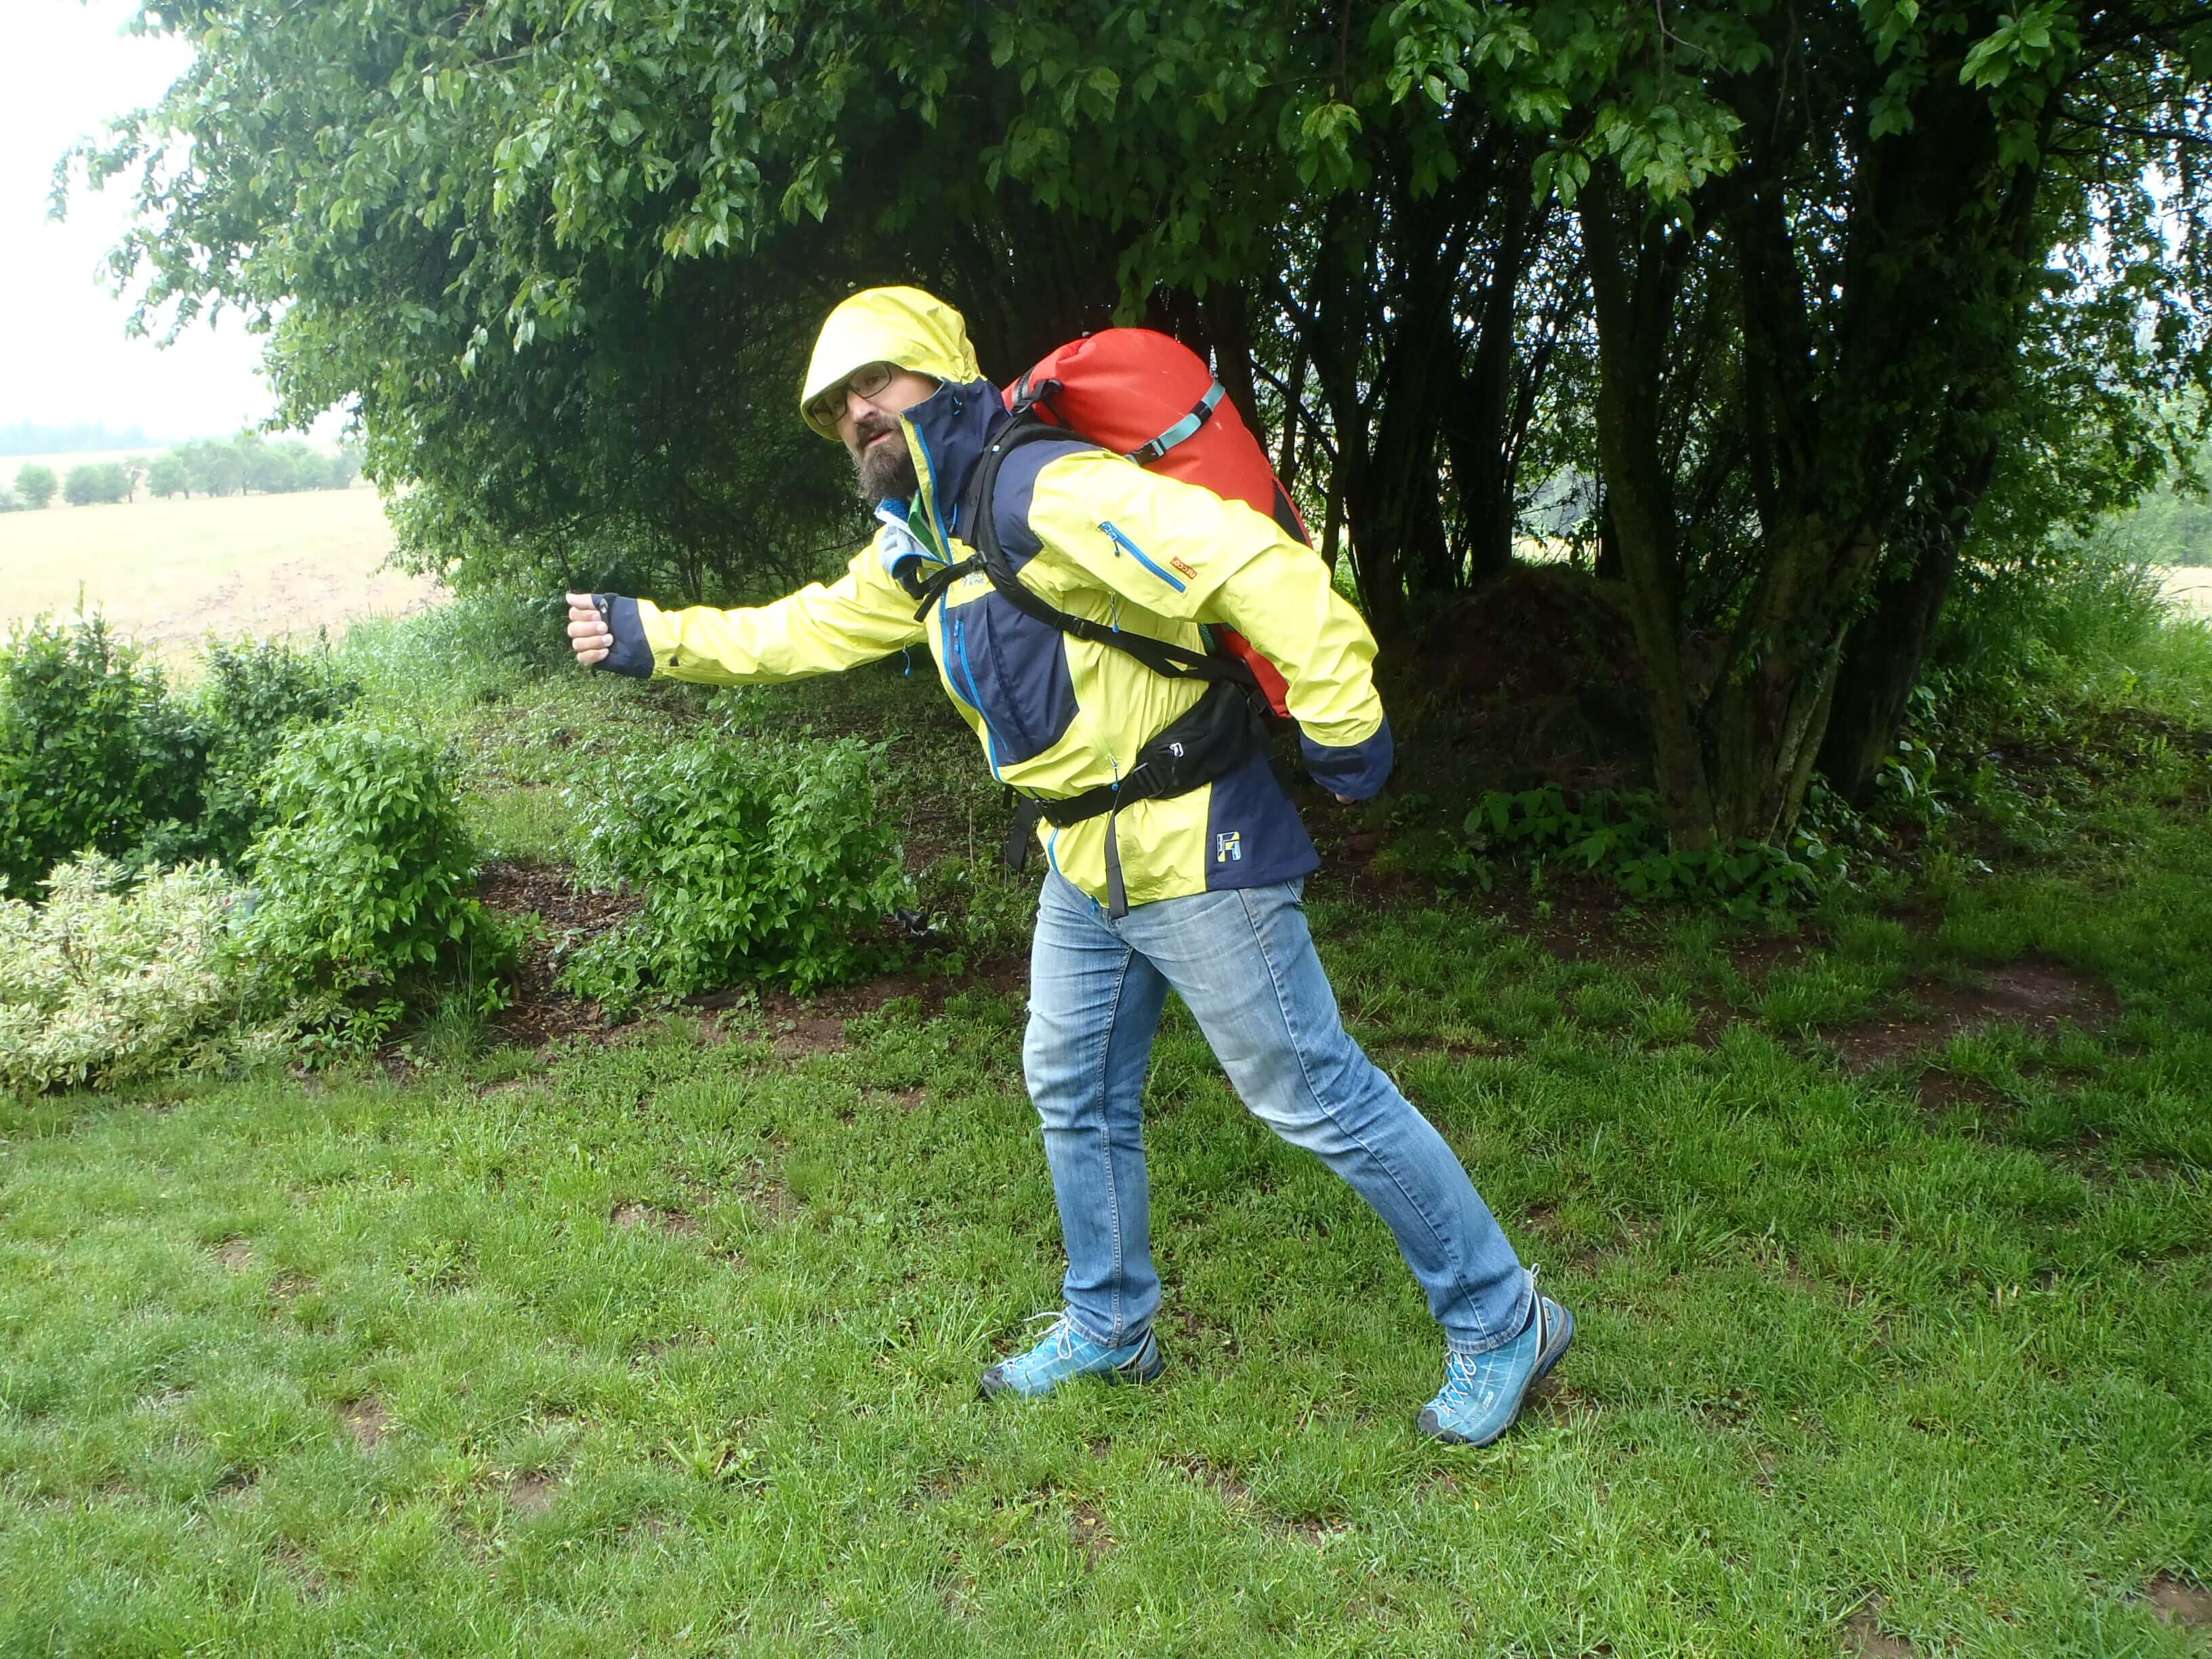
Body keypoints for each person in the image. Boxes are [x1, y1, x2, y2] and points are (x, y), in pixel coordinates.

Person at [567, 285, 1570, 1445]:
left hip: (1194, 841)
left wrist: (1344, 717)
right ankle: (1111, 1325)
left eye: (875, 382)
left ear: (937, 371)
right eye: (839, 404)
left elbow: (1256, 565)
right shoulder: (924, 546)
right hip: (1083, 862)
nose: (857, 413)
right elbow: (802, 628)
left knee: (1313, 1093)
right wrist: (654, 637)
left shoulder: (1044, 490)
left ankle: (1503, 1318)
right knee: (1074, 1085)